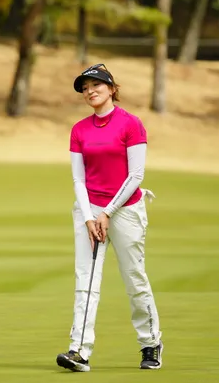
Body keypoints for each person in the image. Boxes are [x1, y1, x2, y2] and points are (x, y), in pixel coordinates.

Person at [56, 63, 163, 372]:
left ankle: (150, 342)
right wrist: (89, 217)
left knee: (134, 278)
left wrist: (107, 212)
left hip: (126, 210)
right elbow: (78, 179)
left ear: (112, 89)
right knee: (86, 281)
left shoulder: (131, 124)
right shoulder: (79, 130)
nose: (90, 91)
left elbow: (136, 175)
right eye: (85, 88)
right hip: (89, 211)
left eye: (96, 85)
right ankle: (79, 351)